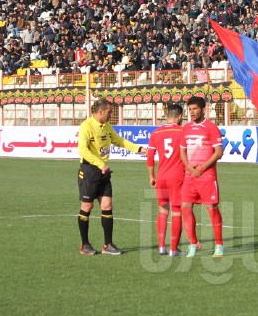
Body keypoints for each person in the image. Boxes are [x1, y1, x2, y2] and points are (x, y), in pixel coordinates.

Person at [77, 99, 147, 255]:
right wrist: (100, 164)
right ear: (101, 112)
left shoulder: (107, 126)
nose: (111, 115)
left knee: (107, 206)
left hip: (103, 172)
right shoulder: (86, 126)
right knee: (87, 207)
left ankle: (107, 244)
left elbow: (119, 141)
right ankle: (84, 245)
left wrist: (139, 148)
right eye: (109, 112)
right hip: (89, 171)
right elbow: (82, 150)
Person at [179, 96, 225, 257]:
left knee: (212, 209)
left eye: (195, 109)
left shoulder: (211, 128)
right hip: (190, 175)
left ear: (203, 109)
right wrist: (189, 167)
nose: (192, 112)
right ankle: (193, 243)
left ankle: (219, 245)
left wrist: (203, 167)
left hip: (207, 176)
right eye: (189, 109)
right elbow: (182, 152)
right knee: (185, 207)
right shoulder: (185, 128)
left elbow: (219, 152)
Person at [146, 104, 186, 257]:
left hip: (161, 178)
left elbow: (150, 157)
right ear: (180, 116)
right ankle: (174, 249)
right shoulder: (183, 132)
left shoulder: (156, 133)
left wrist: (152, 176)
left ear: (166, 116)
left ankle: (161, 247)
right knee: (177, 213)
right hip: (177, 178)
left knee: (162, 211)